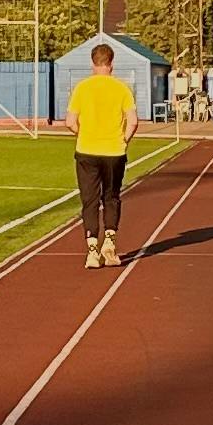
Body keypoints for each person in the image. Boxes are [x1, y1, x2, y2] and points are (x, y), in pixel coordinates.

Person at [69, 36, 139, 267]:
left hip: (87, 150)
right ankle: (109, 241)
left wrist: (84, 135)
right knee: (111, 197)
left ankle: (92, 250)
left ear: (93, 63)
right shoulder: (122, 89)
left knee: (89, 201)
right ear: (111, 64)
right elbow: (133, 121)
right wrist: (124, 140)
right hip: (114, 152)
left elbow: (70, 122)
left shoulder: (82, 88)